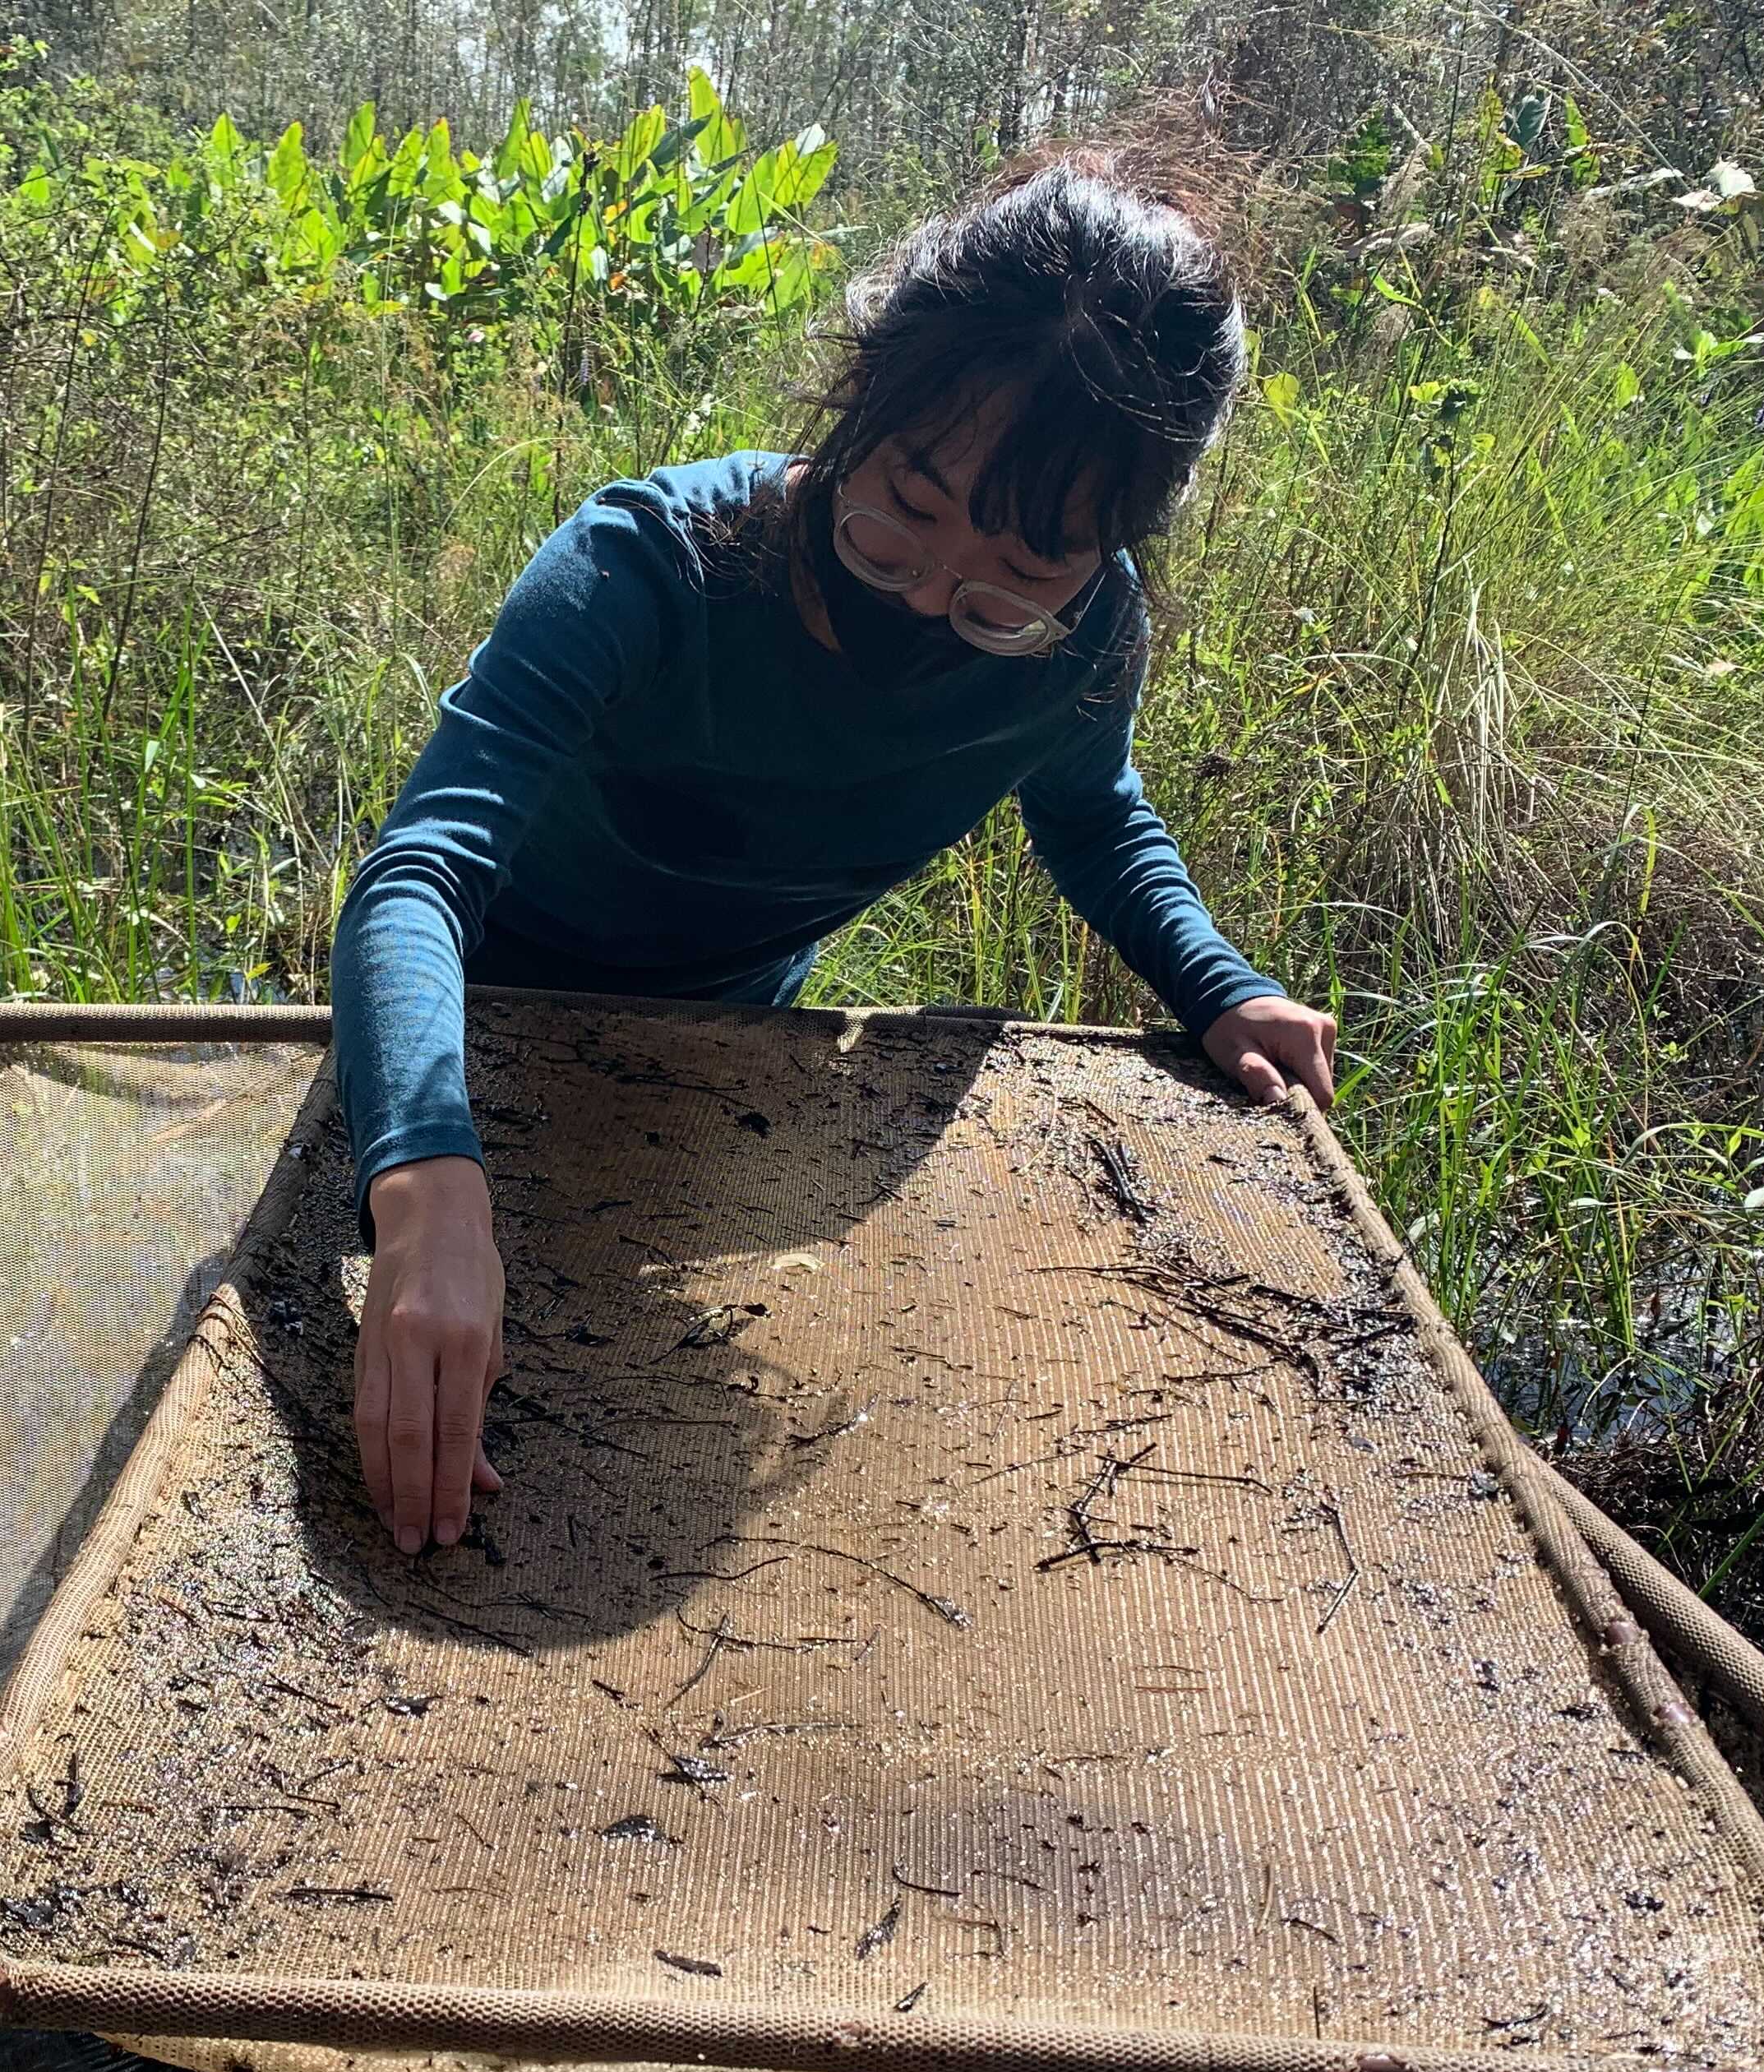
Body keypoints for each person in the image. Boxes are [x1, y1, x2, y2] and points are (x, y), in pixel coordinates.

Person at [329, 141, 1339, 1556]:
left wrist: (1218, 984)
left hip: (730, 1060)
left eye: (1017, 579)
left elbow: (1093, 810)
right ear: (863, 392)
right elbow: (421, 876)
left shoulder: (1089, 638)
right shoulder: (643, 572)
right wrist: (427, 1188)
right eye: (902, 517)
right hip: (463, 1035)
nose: (930, 601)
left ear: (1115, 544)